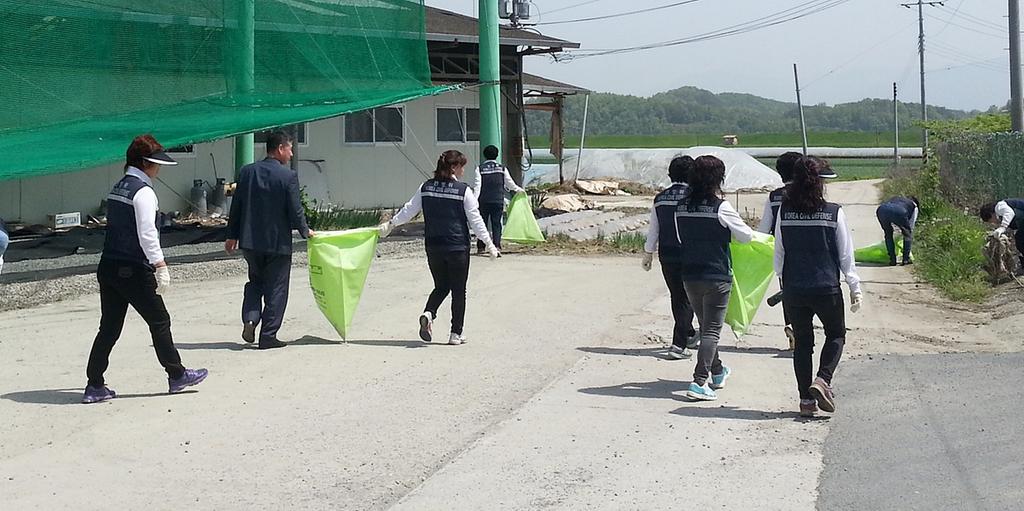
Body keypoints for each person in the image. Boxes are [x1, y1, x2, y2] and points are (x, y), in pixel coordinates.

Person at [82, 134, 208, 404]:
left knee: (109, 328)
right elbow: (147, 233)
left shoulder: (118, 188)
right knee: (160, 320)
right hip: (133, 269)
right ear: (145, 164)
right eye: (156, 163)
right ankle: (176, 375)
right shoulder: (144, 192)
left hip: (109, 265)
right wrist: (160, 264)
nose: (159, 168)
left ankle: (94, 385)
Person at [378, 150, 499, 345]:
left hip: (433, 246)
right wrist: (490, 244)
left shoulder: (425, 187)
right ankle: (455, 333)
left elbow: (409, 210)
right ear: (453, 167)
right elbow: (475, 220)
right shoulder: (463, 190)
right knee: (459, 290)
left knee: (441, 285)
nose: (463, 170)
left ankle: (429, 313)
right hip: (457, 246)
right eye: (461, 166)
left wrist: (391, 224)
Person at [774, 156, 862, 417]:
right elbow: (846, 256)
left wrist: (783, 280)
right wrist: (854, 287)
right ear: (820, 183)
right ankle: (823, 380)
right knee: (835, 334)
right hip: (826, 286)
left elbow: (779, 253)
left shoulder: (785, 211)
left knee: (803, 343)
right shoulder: (833, 212)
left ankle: (806, 402)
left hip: (794, 287)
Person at [673, 155, 754, 401]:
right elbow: (746, 236)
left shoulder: (681, 207)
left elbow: (679, 238)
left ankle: (717, 371)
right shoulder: (721, 207)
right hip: (716, 275)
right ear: (718, 178)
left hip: (690, 275)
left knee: (705, 325)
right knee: (712, 331)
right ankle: (699, 381)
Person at [225, 131, 314, 350]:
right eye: (290, 148)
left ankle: (250, 318)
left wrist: (231, 235)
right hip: (277, 244)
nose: (292, 153)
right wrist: (306, 232)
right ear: (280, 148)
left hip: (250, 242)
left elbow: (236, 207)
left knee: (255, 282)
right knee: (276, 289)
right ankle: (268, 335)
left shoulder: (247, 173)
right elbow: (295, 210)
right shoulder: (288, 176)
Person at [642, 155, 698, 360]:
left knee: (678, 296)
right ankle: (678, 344)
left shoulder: (660, 198)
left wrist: (648, 252)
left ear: (670, 174)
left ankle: (689, 333)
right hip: (689, 253)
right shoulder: (694, 196)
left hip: (667, 254)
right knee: (689, 298)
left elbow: (654, 229)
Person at [757, 151, 802, 350]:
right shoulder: (809, 193)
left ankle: (792, 325)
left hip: (783, 254)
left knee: (788, 292)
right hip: (811, 252)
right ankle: (802, 329)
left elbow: (764, 230)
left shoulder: (774, 197)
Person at [470, 145, 524, 255]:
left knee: (482, 223)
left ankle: (481, 247)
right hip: (497, 200)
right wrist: (519, 190)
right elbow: (510, 184)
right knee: (496, 224)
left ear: (484, 156)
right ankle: (497, 245)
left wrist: (474, 201)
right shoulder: (502, 168)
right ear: (497, 155)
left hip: (483, 201)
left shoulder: (479, 169)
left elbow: (477, 186)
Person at [979, 198, 1024, 272]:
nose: (993, 223)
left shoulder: (999, 206)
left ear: (991, 215)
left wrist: (1003, 227)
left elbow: (1010, 213)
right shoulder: (1002, 215)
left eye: (991, 221)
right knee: (1019, 240)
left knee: (1020, 240)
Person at [876, 196, 919, 266]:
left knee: (888, 233)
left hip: (882, 209)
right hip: (900, 211)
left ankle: (892, 259)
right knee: (907, 234)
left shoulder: (897, 198)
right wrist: (905, 232)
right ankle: (905, 259)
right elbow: (910, 227)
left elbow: (891, 210)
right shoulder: (914, 206)